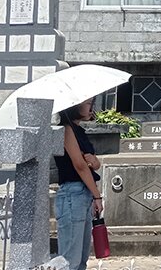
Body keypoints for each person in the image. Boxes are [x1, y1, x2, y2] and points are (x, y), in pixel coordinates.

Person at [54, 99, 103, 270]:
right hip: (72, 194)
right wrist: (97, 195)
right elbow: (80, 166)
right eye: (88, 103)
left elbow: (93, 163)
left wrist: (94, 162)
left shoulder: (79, 130)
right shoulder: (66, 130)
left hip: (83, 194)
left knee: (81, 258)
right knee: (69, 260)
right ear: (74, 105)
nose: (91, 107)